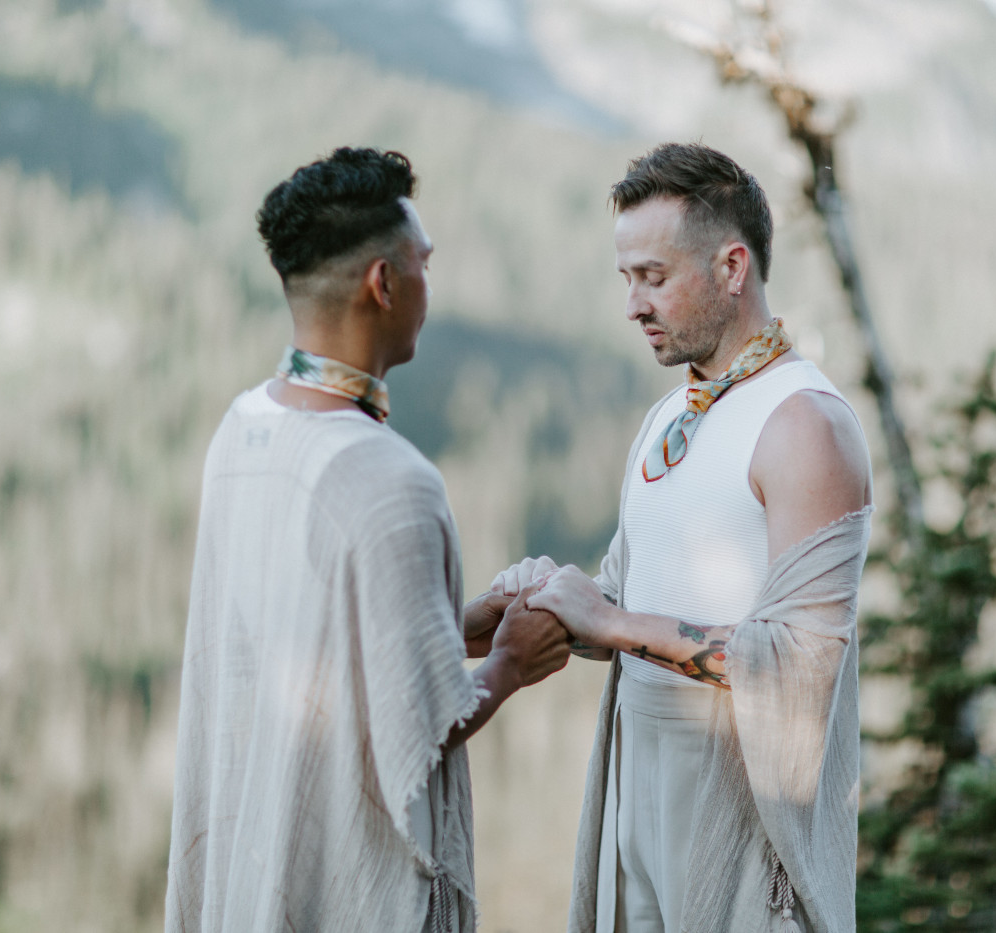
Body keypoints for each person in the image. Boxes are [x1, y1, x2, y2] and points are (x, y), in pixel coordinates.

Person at [164, 147, 571, 933]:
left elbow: (313, 640)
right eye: (423, 262)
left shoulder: (243, 426)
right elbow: (418, 735)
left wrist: (463, 619)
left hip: (250, 868)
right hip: (335, 885)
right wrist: (510, 663)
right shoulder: (390, 477)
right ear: (382, 283)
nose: (428, 284)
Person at [496, 143, 873, 933]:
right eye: (626, 277)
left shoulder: (805, 424)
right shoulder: (666, 418)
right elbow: (623, 603)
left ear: (733, 266)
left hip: (740, 815)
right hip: (636, 792)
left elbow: (802, 667)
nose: (633, 304)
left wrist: (613, 622)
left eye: (653, 277)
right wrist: (543, 598)